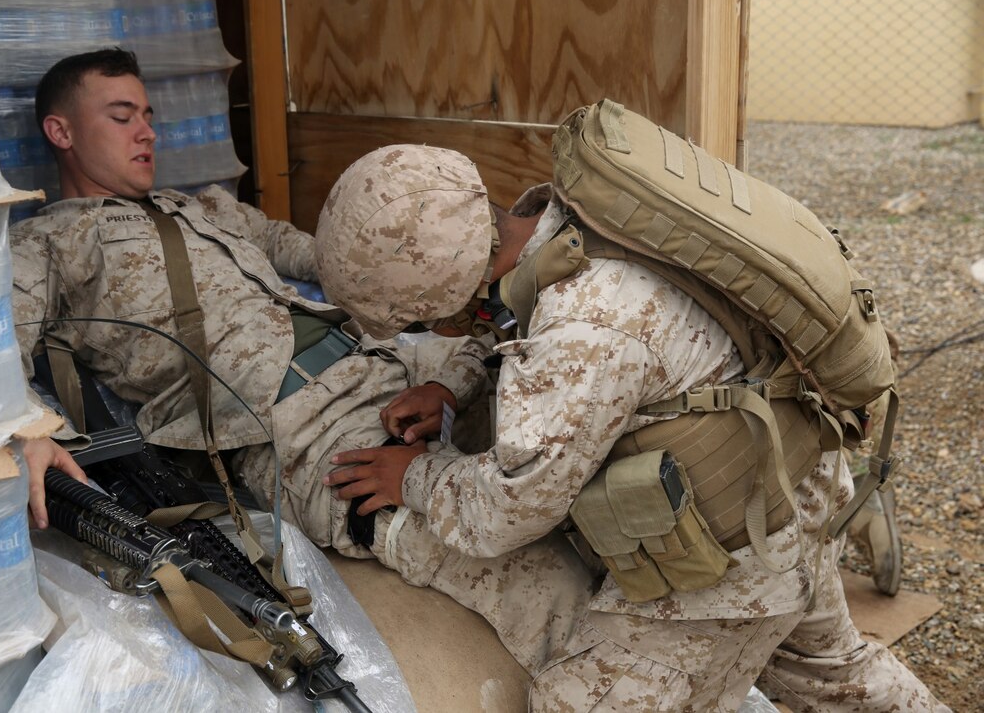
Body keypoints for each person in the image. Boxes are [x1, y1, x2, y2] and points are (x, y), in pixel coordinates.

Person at [12, 48, 593, 676]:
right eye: (122, 116)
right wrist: (29, 434)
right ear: (61, 131)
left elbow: (320, 256)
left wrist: (436, 268)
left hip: (386, 366)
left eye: (149, 114)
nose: (148, 131)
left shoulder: (204, 208)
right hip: (298, 429)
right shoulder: (48, 243)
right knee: (545, 579)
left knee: (557, 387)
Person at [314, 142, 950, 711]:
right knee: (833, 671)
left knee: (574, 700)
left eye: (426, 319)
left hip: (743, 558)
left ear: (448, 291)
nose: (432, 331)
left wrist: (416, 476)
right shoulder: (571, 216)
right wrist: (455, 383)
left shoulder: (585, 327)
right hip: (800, 481)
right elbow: (521, 323)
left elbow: (507, 510)